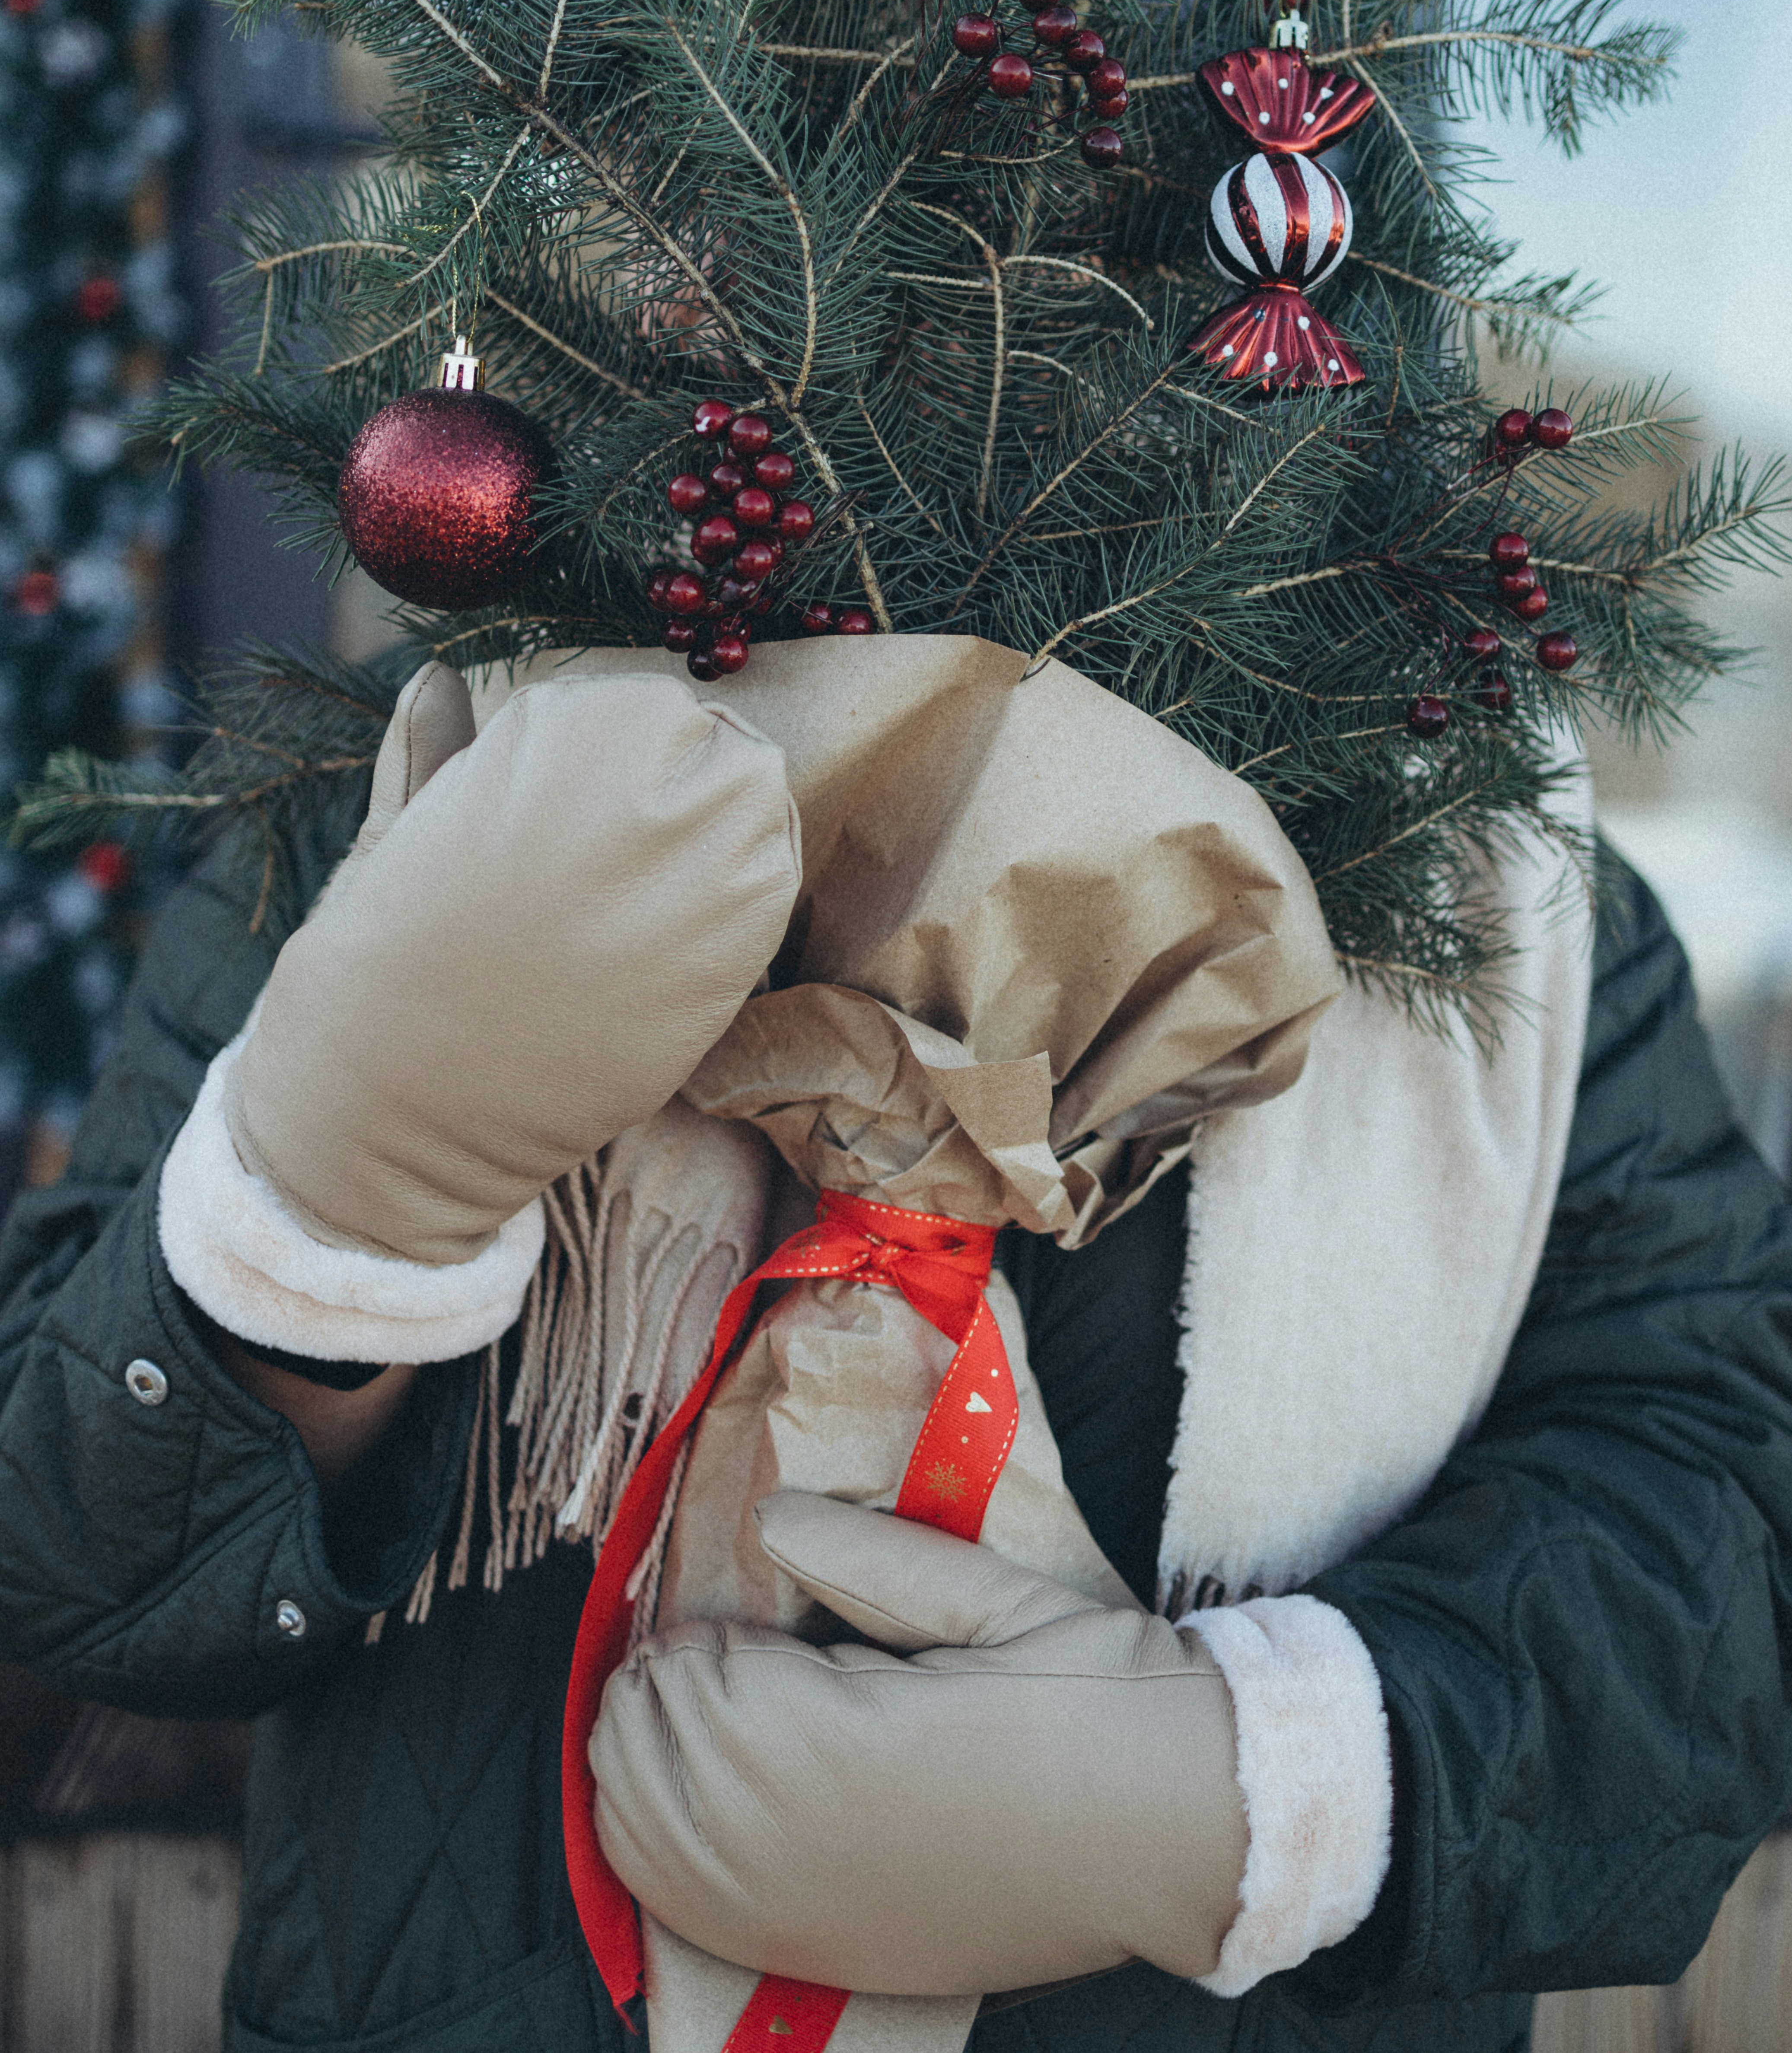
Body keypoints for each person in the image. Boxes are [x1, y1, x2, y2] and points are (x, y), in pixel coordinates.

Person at [2, 658, 1789, 2053]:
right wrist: (327, 1195)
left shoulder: (1497, 910)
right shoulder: (423, 781)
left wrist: (1251, 1786)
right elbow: (71, 1554)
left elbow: (1719, 1508)